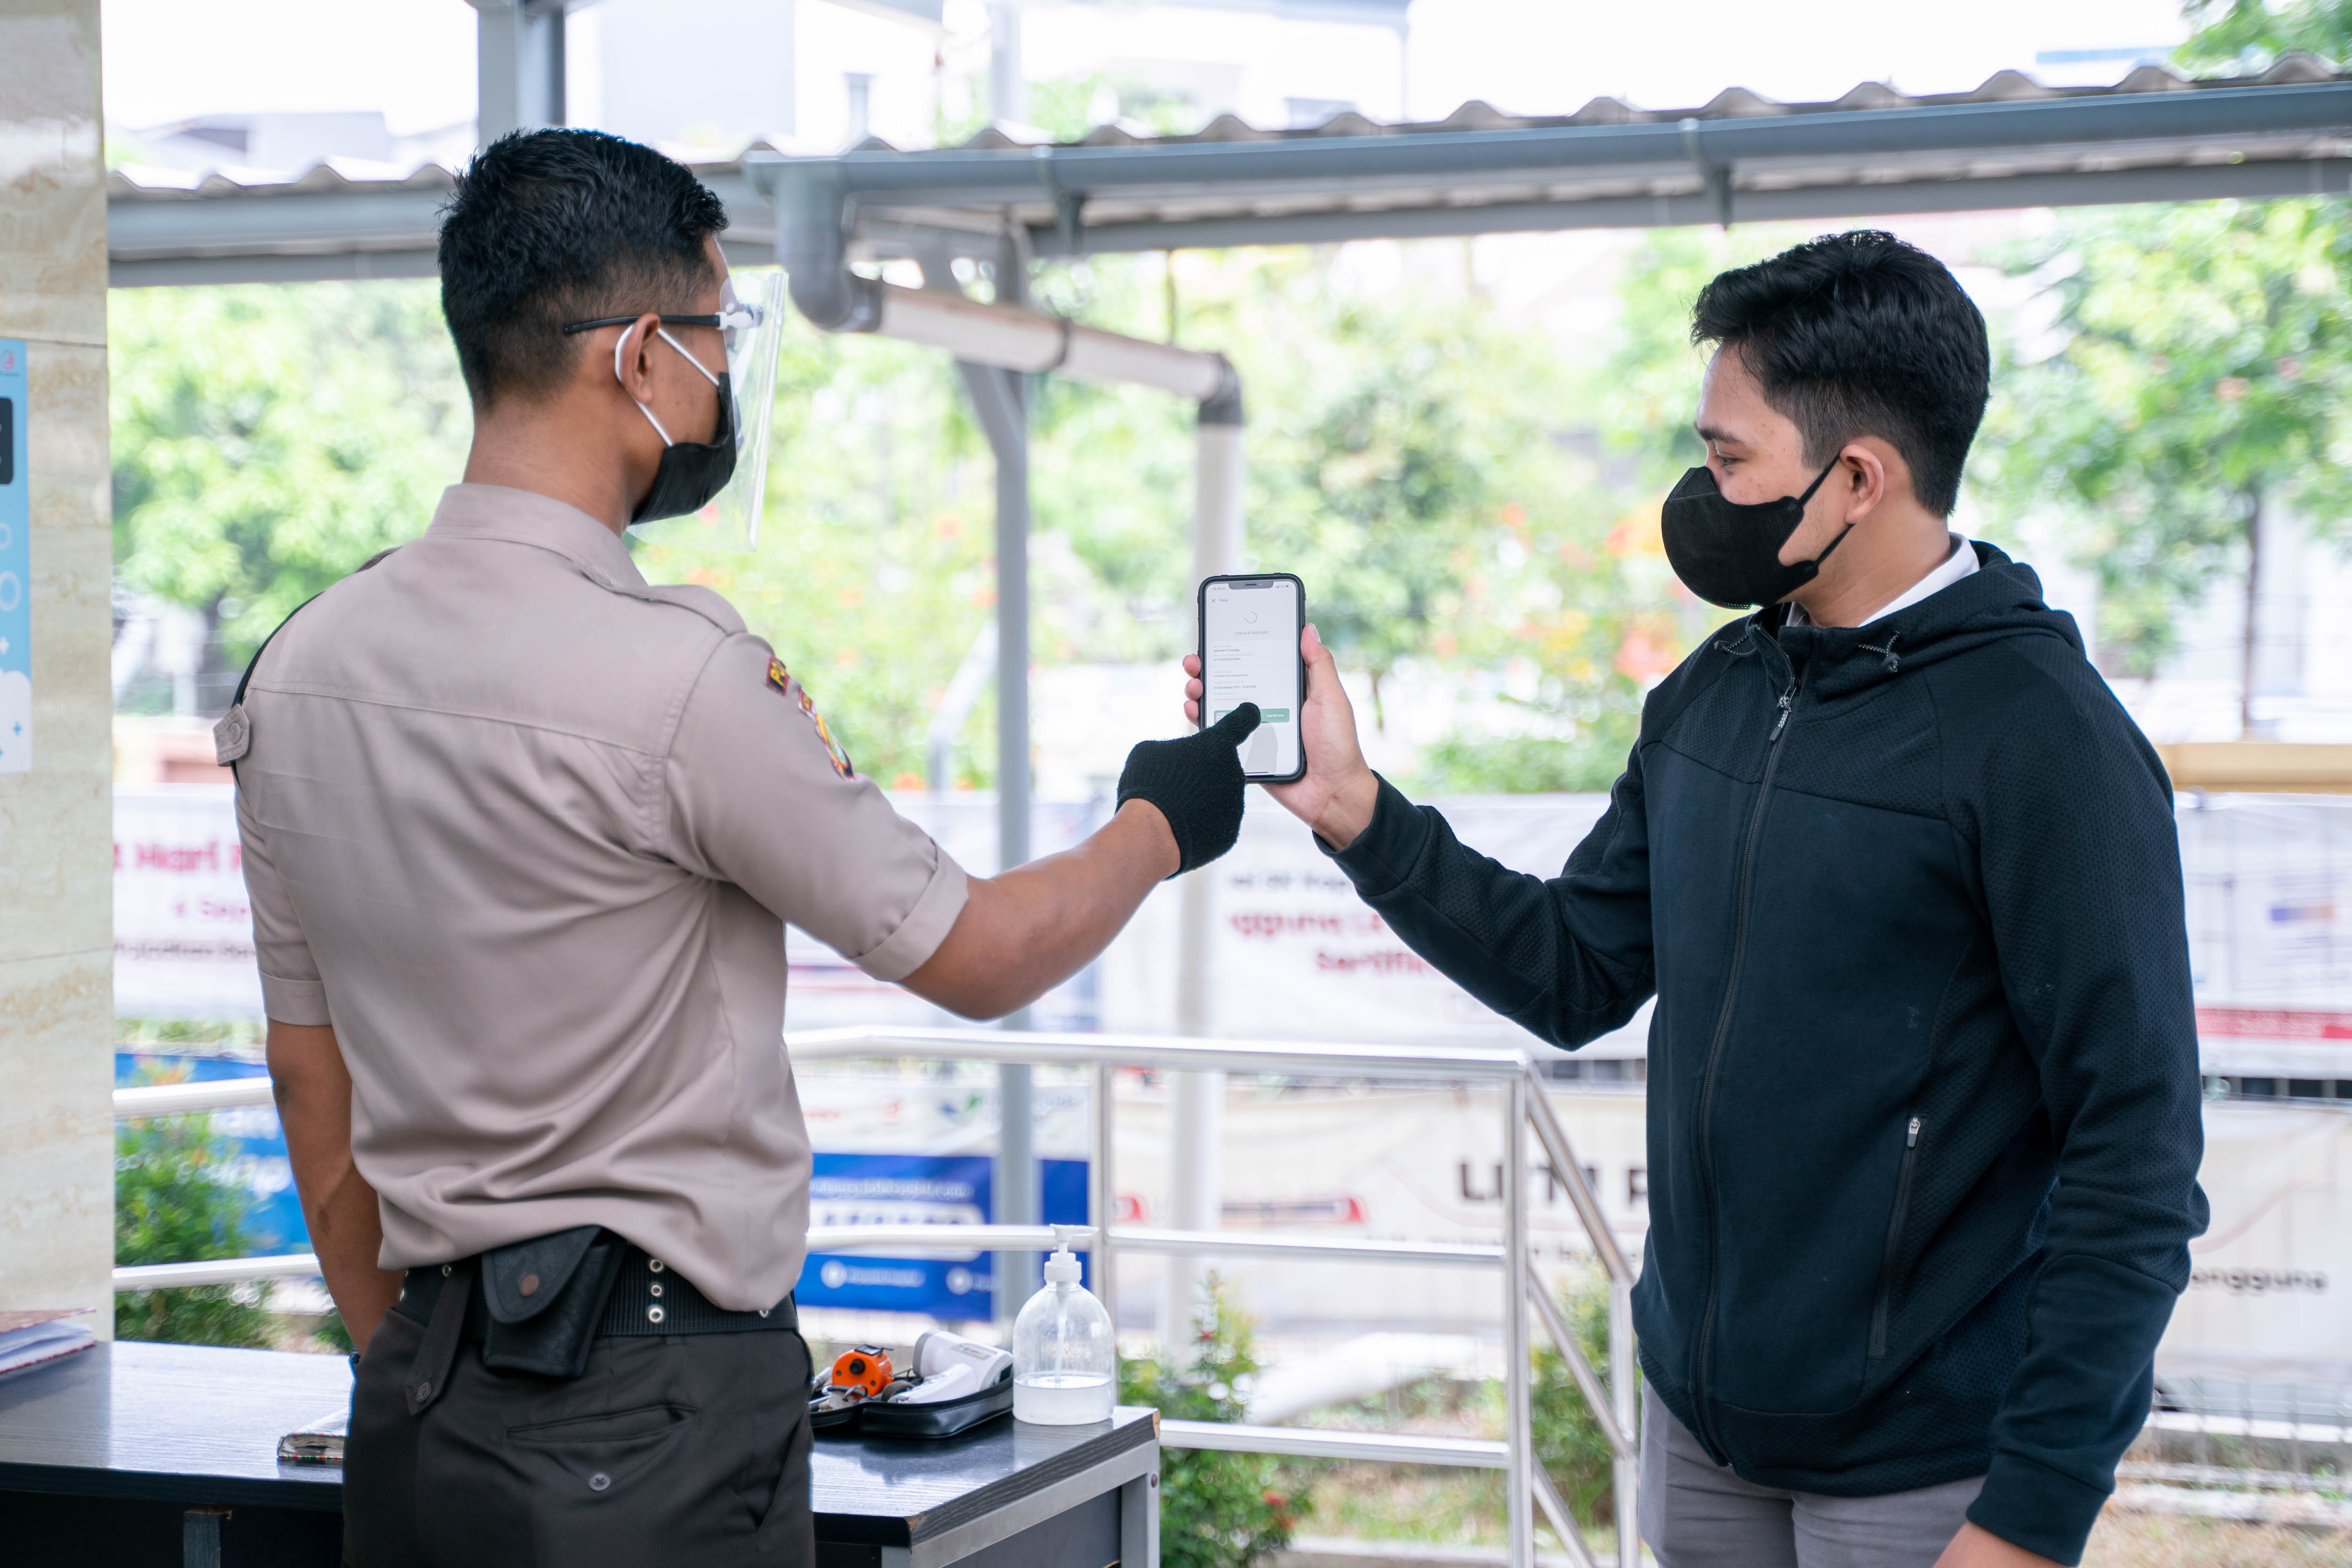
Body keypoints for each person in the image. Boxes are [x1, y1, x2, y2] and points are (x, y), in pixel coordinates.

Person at [225, 128, 1259, 1568]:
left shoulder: (297, 669)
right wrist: (1162, 822)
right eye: (720, 333)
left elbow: (305, 1065)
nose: (727, 376)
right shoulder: (677, 678)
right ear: (642, 357)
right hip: (656, 1411)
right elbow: (976, 954)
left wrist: (411, 1355)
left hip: (424, 1406)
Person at [1187, 231, 2207, 1568]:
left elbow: (2135, 1158)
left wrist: (2031, 1512)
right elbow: (1574, 972)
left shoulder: (2044, 741)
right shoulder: (1715, 694)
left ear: (1857, 479)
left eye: (1730, 458)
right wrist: (1360, 816)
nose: (1699, 490)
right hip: (1700, 1439)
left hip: (1926, 1476)